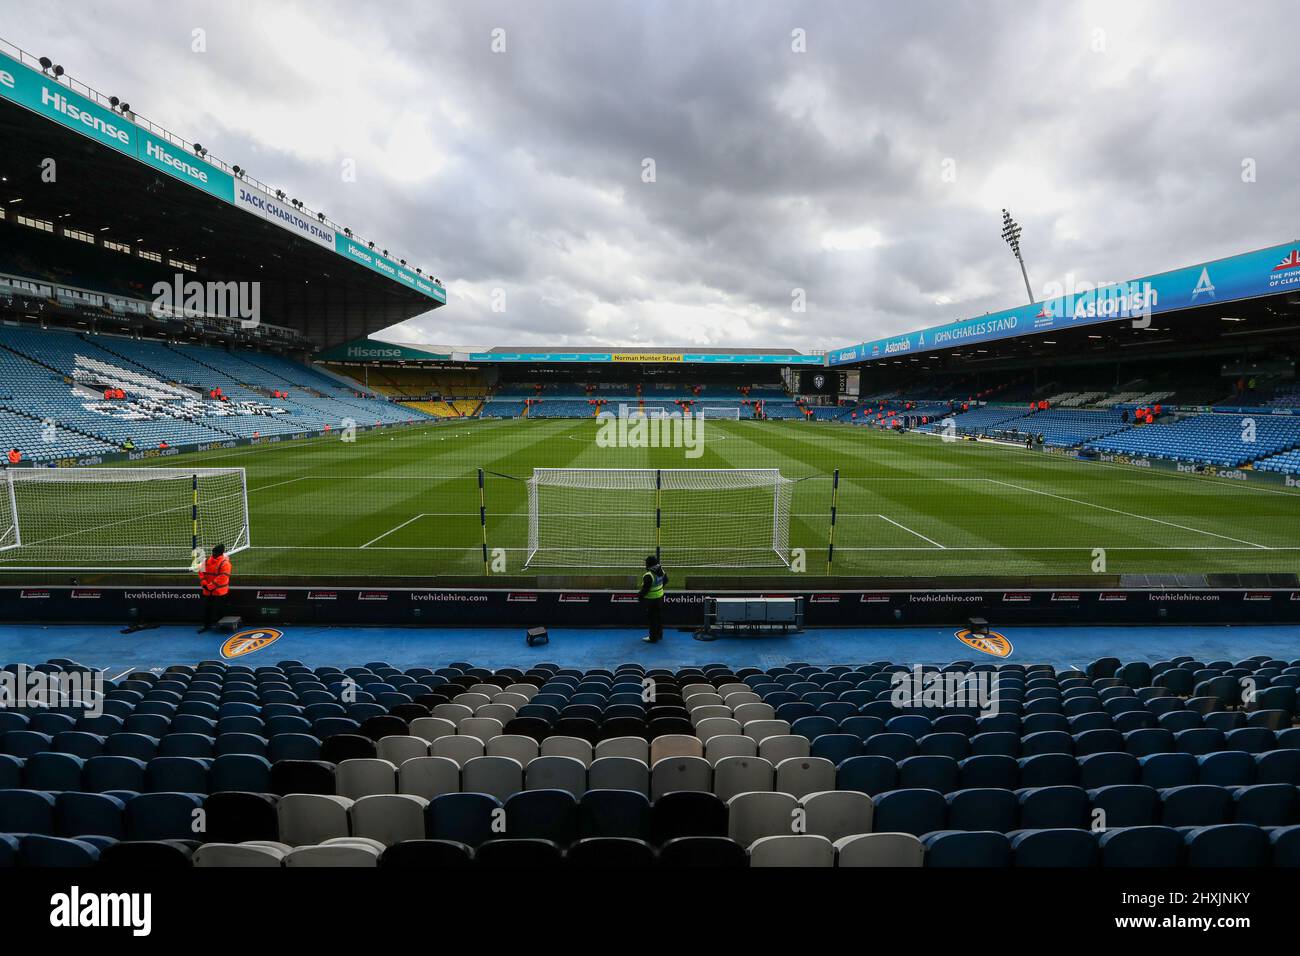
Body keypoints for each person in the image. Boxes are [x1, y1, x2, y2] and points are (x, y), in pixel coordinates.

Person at [198, 544, 232, 633]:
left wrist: (209, 586)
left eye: (215, 552)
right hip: (208, 591)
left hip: (219, 592)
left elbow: (222, 577)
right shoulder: (207, 561)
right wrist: (204, 583)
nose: (213, 553)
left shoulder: (225, 563)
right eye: (213, 551)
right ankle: (206, 625)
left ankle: (221, 626)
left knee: (219, 611)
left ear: (220, 553)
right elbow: (201, 571)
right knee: (206, 609)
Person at [639, 554, 667, 643]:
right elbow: (666, 580)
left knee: (652, 619)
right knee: (659, 617)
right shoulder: (661, 570)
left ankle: (653, 637)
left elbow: (645, 589)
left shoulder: (648, 575)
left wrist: (640, 596)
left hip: (651, 600)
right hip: (660, 598)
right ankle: (659, 634)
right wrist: (659, 589)